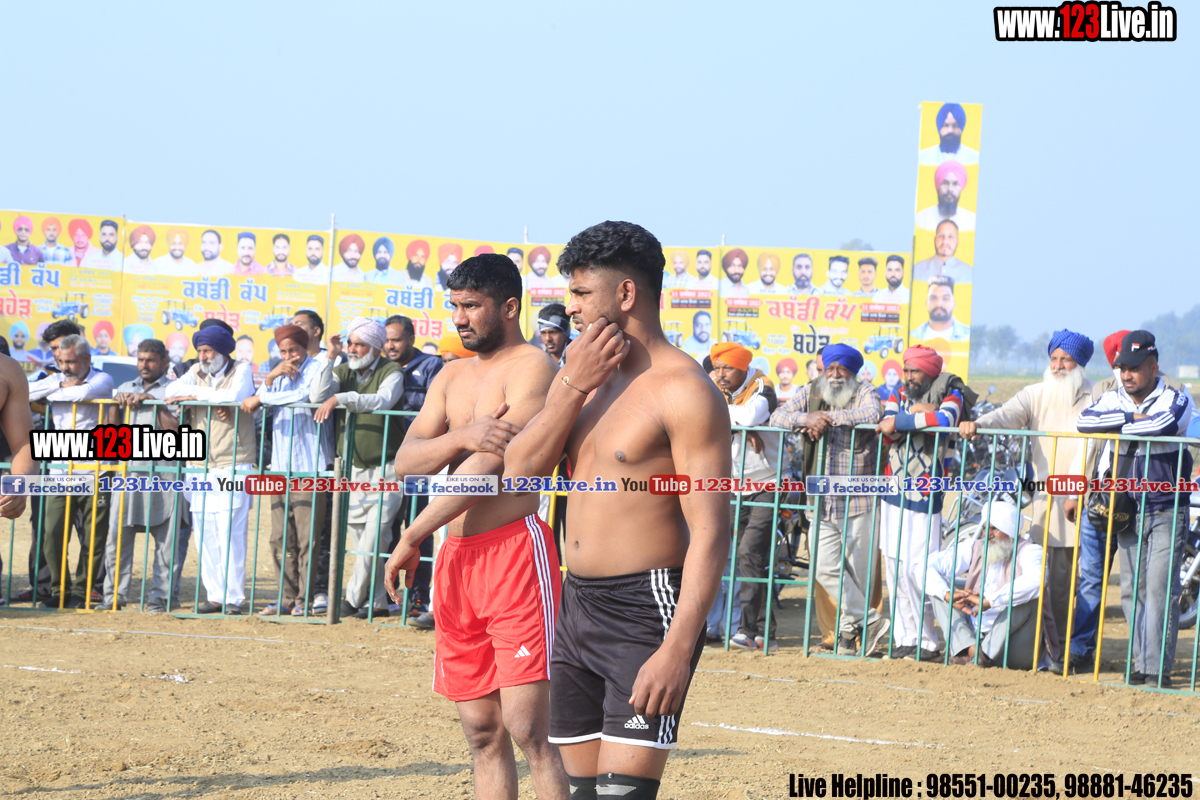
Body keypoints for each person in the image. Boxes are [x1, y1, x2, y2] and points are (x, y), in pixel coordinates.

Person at [497, 221, 730, 800]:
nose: (570, 307)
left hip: (645, 610)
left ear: (626, 294)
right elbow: (519, 471)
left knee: (623, 794)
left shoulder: (685, 389)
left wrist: (677, 649)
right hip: (576, 603)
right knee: (581, 794)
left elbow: (711, 531)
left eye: (581, 293)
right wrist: (571, 387)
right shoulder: (584, 377)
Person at [377, 254, 567, 799]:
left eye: (471, 306)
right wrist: (462, 435)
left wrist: (412, 534)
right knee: (482, 731)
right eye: (454, 306)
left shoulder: (533, 368)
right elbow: (406, 461)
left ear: (508, 307)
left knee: (529, 729)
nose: (459, 318)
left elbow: (490, 467)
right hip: (457, 558)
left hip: (514, 556)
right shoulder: (452, 374)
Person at [960, 330, 1097, 669]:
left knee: (1076, 584)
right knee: (1043, 580)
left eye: (1065, 359)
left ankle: (1068, 650)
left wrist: (1077, 491)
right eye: (1054, 359)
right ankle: (1042, 649)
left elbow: (1096, 447)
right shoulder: (1036, 393)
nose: (1058, 366)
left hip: (1084, 500)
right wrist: (978, 423)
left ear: (1080, 364)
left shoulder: (1096, 396)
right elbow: (1007, 414)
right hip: (1045, 502)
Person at [1073, 331, 1192, 688]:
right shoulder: (1113, 397)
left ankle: (1157, 669)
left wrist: (1120, 421)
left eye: (1135, 368)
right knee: (1131, 591)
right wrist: (1132, 418)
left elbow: (1162, 425)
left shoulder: (1177, 397)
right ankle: (1140, 663)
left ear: (1153, 368)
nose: (1127, 375)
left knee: (1159, 589)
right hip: (1124, 507)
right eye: (1122, 367)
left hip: (1166, 507)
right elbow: (1084, 422)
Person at [771, 344, 890, 657]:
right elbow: (777, 417)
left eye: (841, 369)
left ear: (853, 371)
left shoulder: (865, 391)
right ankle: (870, 620)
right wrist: (807, 418)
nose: (835, 374)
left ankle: (849, 638)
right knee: (823, 567)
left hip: (859, 500)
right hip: (821, 501)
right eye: (830, 368)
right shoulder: (811, 391)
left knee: (858, 575)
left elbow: (872, 414)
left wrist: (829, 418)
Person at [876, 345, 969, 661]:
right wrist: (914, 416)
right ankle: (904, 638)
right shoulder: (898, 392)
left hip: (926, 494)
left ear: (929, 372)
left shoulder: (952, 391)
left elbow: (945, 418)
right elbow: (886, 428)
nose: (909, 376)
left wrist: (906, 419)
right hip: (893, 489)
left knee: (919, 569)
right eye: (906, 370)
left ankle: (926, 642)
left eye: (915, 371)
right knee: (894, 566)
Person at [312, 317, 406, 619]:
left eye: (359, 344)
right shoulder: (342, 370)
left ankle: (352, 598)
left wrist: (341, 398)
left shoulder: (392, 371)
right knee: (363, 541)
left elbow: (383, 400)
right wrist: (330, 357)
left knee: (375, 537)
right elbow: (317, 397)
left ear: (376, 348)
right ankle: (378, 602)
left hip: (386, 469)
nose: (352, 349)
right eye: (350, 343)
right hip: (352, 469)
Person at [165, 325, 257, 614]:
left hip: (234, 461)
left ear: (223, 351)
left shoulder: (242, 370)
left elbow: (236, 396)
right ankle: (215, 595)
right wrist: (211, 394)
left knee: (231, 532)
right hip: (199, 464)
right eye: (200, 351)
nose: (203, 356)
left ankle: (233, 598)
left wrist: (194, 396)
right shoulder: (196, 370)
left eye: (208, 351)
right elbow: (170, 391)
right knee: (205, 532)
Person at [243, 325, 328, 616]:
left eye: (294, 350)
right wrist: (268, 380)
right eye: (283, 351)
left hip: (310, 468)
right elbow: (254, 407)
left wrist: (262, 396)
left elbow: (305, 397)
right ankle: (285, 598)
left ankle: (304, 600)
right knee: (279, 538)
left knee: (307, 540)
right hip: (280, 467)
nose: (289, 356)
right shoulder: (276, 374)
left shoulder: (319, 368)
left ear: (305, 347)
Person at [29, 334, 115, 609]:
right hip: (61, 470)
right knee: (51, 533)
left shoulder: (103, 379)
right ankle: (60, 589)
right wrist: (58, 386)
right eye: (61, 362)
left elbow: (81, 394)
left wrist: (50, 393)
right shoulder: (56, 378)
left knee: (93, 538)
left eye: (71, 362)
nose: (65, 367)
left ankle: (83, 590)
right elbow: (26, 392)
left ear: (87, 359)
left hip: (96, 470)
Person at [709, 342, 781, 652]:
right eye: (717, 368)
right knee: (740, 557)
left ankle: (749, 630)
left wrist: (737, 423)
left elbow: (751, 416)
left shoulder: (762, 385)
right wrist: (738, 424)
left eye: (727, 368)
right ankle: (760, 632)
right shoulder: (716, 386)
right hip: (732, 486)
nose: (720, 374)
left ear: (743, 368)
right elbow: (699, 412)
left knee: (750, 553)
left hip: (768, 484)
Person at [101, 339, 181, 612]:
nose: (144, 365)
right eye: (140, 359)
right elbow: (111, 435)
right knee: (117, 539)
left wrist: (154, 403)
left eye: (150, 360)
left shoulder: (174, 389)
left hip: (164, 476)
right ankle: (113, 597)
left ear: (164, 362)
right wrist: (116, 404)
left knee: (166, 543)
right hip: (128, 473)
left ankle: (159, 599)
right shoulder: (126, 387)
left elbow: (177, 432)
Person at [925, 500, 1043, 669]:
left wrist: (991, 601)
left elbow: (1037, 580)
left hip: (1011, 646)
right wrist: (948, 594)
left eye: (995, 529)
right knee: (938, 589)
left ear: (1010, 530)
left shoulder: (1030, 551)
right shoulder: (974, 547)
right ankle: (972, 651)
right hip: (975, 634)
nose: (987, 534)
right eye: (985, 528)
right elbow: (924, 567)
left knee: (1028, 597)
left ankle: (980, 655)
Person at [382, 313, 444, 624]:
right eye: (387, 340)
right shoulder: (383, 367)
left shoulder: (431, 365)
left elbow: (436, 411)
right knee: (388, 525)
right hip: (388, 459)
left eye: (396, 340)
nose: (390, 346)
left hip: (420, 463)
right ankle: (387, 595)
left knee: (419, 526)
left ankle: (418, 595)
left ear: (411, 339)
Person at [916, 161, 976, 232]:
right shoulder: (922, 218)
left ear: (961, 188)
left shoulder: (971, 220)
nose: (950, 189)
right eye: (945, 183)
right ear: (937, 186)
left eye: (955, 184)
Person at [909, 276, 970, 342]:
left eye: (945, 298)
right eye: (933, 298)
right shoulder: (912, 335)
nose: (939, 304)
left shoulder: (969, 335)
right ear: (926, 303)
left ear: (954, 304)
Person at [913, 220, 972, 284]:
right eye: (941, 236)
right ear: (935, 239)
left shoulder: (969, 273)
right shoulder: (916, 270)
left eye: (951, 237)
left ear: (957, 241)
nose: (945, 241)